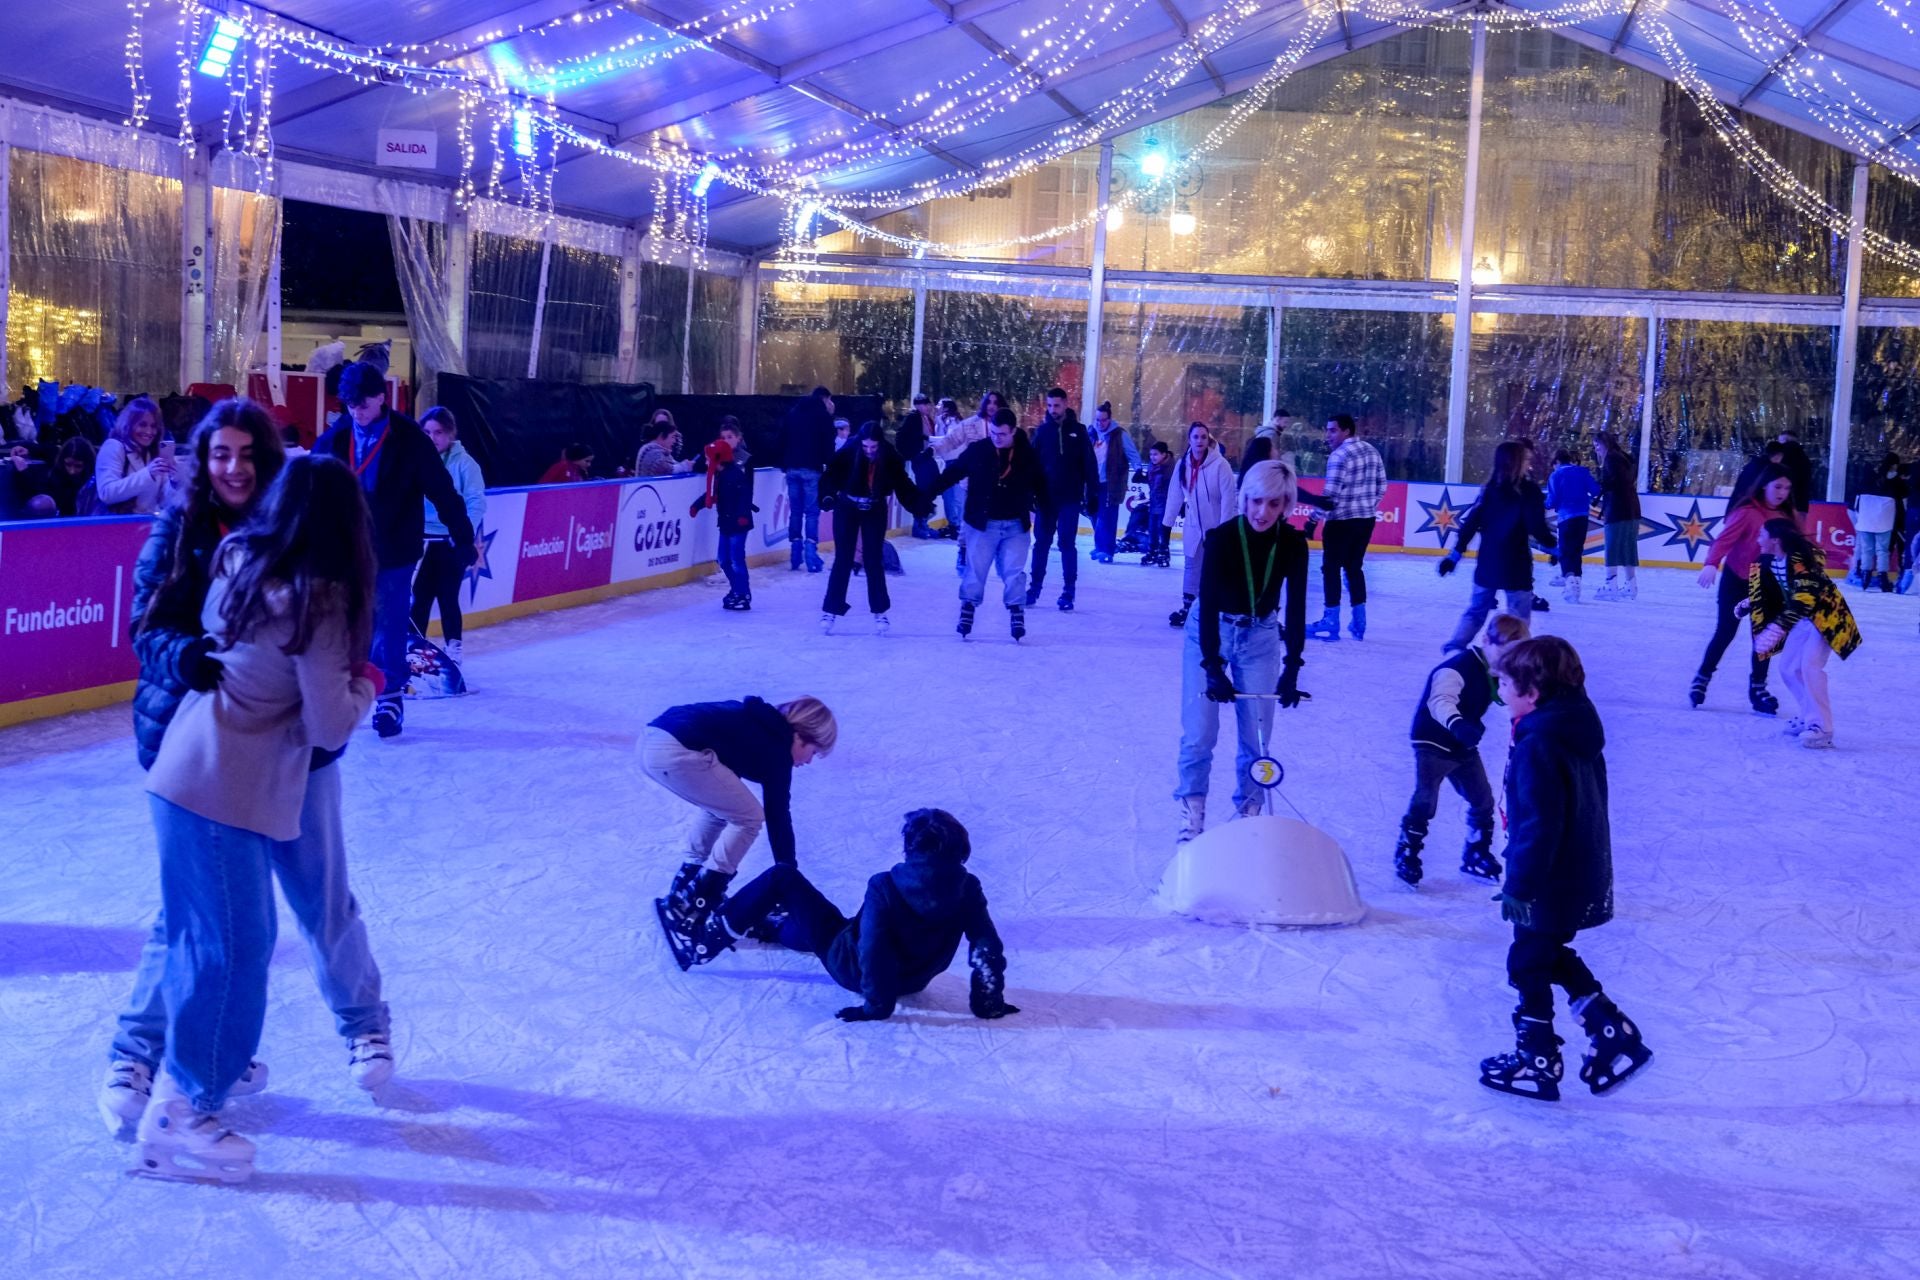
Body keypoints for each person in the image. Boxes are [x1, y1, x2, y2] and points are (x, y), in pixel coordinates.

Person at [104, 401, 394, 1145]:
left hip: (275, 762)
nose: (232, 468)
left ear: (270, 469)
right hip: (212, 754)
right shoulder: (195, 536)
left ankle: (358, 1027)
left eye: (247, 455)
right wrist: (194, 659)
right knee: (212, 930)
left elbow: (305, 695)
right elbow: (150, 626)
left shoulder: (261, 550)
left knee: (312, 902)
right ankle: (155, 1068)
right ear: (202, 462)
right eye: (218, 455)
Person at [1477, 636, 1650, 1103]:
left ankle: (1538, 1062)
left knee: (1528, 962)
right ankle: (1610, 1031)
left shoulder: (1541, 743)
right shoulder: (1572, 724)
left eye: (1507, 684)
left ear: (1533, 693)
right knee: (1546, 955)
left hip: (1549, 879)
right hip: (1576, 869)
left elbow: (1539, 822)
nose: (1500, 694)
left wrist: (1520, 885)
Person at [673, 810, 1018, 1027]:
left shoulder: (884, 885)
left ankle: (707, 941)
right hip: (913, 980)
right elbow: (986, 945)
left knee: (783, 878)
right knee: (820, 928)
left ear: (910, 847)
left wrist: (876, 1007)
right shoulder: (967, 887)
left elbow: (873, 949)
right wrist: (989, 1004)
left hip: (853, 970)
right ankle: (769, 927)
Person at [316, 361, 476, 739]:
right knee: (350, 622)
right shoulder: (337, 437)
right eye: (350, 405)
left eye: (363, 405)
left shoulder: (410, 439)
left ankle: (389, 696)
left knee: (389, 623)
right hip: (349, 549)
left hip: (395, 548)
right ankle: (348, 688)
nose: (356, 412)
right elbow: (311, 488)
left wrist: (463, 536)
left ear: (380, 397)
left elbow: (442, 491)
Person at [1174, 461, 1310, 844]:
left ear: (1286, 504)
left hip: (1261, 637)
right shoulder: (1222, 539)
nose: (1262, 512)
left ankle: (1248, 816)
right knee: (1200, 732)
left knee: (1258, 736)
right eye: (1255, 501)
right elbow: (1208, 604)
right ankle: (1192, 812)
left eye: (1273, 504)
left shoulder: (1293, 544)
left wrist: (1293, 667)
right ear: (1244, 498)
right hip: (1211, 629)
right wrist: (1212, 666)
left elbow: (1296, 608)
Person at [642, 695, 838, 945]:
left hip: (652, 739)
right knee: (750, 817)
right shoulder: (777, 747)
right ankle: (700, 898)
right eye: (813, 752)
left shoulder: (756, 725)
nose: (809, 761)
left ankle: (686, 884)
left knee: (721, 808)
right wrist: (788, 880)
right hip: (674, 750)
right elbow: (778, 817)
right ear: (800, 735)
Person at [1394, 613, 1531, 889]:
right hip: (1432, 740)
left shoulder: (1495, 672)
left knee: (1482, 799)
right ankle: (1407, 851)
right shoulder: (1457, 668)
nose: (1509, 660)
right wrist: (1458, 724)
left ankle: (1476, 851)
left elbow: (1505, 697)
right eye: (1504, 651)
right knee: (1426, 798)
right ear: (1485, 640)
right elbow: (1440, 701)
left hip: (1463, 744)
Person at [925, 407, 1052, 641]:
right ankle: (968, 609)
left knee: (1014, 572)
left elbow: (1041, 486)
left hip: (1015, 525)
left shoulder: (1027, 455)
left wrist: (1048, 512)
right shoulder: (979, 450)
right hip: (982, 524)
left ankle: (1016, 612)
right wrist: (926, 494)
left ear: (1013, 431)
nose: (996, 438)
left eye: (1002, 434)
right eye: (993, 433)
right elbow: (953, 473)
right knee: (976, 570)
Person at [1743, 517, 1861, 749]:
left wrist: (1779, 627)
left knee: (1810, 666)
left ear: (1775, 540)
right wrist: (1749, 602)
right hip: (1801, 619)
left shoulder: (1799, 560)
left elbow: (1805, 596)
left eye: (1762, 535)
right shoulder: (1772, 561)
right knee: (1788, 668)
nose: (1758, 539)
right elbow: (1780, 593)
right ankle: (1810, 717)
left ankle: (1822, 728)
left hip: (1824, 618)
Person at [1692, 464, 1799, 714]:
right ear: (1765, 485)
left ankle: (1758, 688)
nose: (1782, 492)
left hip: (1766, 583)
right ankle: (1702, 677)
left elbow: (1800, 546)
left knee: (1763, 638)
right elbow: (1724, 540)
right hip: (1737, 578)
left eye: (1787, 488)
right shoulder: (1747, 512)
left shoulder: (1787, 517)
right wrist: (1710, 563)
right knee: (1725, 631)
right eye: (1778, 486)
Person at [1438, 441, 1555, 651]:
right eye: (1526, 459)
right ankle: (1514, 657)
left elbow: (1471, 522)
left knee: (1476, 610)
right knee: (1518, 619)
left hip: (1489, 563)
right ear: (1516, 462)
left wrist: (1454, 555)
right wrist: (1555, 547)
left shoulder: (1489, 490)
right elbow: (1536, 526)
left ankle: (1454, 648)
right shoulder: (1529, 491)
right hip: (1516, 565)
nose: (1529, 463)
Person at [819, 421, 929, 633]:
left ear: (880, 444)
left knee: (873, 559)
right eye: (866, 447)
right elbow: (830, 475)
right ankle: (830, 610)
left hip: (875, 508)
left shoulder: (890, 457)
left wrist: (919, 504)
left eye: (874, 447)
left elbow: (903, 483)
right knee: (843, 558)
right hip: (847, 507)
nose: (869, 451)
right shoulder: (849, 450)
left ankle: (880, 612)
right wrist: (827, 496)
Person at [411, 407, 487, 668]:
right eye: (427, 432)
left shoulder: (465, 465)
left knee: (447, 595)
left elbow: (476, 502)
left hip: (450, 540)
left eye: (439, 432)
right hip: (420, 539)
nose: (432, 438)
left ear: (451, 434)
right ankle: (414, 649)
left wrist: (462, 532)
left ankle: (453, 647)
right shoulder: (416, 460)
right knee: (419, 596)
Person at [1302, 413, 1387, 642]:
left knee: (1331, 569)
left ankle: (1331, 620)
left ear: (1346, 431)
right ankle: (1359, 621)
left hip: (1341, 522)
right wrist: (1367, 506)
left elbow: (1330, 495)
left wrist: (1312, 520)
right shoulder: (1371, 450)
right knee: (1354, 568)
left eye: (1332, 430)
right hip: (1365, 520)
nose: (1327, 436)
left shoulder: (1339, 456)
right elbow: (1382, 485)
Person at [1027, 387, 1098, 612]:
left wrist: (1093, 493)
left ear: (1066, 404)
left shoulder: (1078, 431)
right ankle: (1035, 586)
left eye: (1056, 405)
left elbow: (1089, 464)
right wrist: (1031, 493)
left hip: (1070, 498)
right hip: (1046, 500)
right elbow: (1033, 466)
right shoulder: (1042, 432)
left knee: (1067, 544)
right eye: (1049, 406)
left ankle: (1069, 590)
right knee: (1041, 544)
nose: (1053, 410)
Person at [1163, 422, 1239, 628]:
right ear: (1189, 440)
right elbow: (1174, 496)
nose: (1199, 441)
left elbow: (1228, 499)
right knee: (1191, 567)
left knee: (1214, 569)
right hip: (1193, 526)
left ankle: (1215, 609)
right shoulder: (1183, 465)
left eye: (1203, 437)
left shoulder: (1220, 465)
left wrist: (1223, 531)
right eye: (1195, 437)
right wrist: (1166, 525)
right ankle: (1188, 608)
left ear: (1208, 440)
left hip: (1216, 528)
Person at [688, 418, 756, 610]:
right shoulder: (719, 469)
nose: (726, 440)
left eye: (730, 437)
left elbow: (746, 492)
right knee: (725, 559)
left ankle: (742, 592)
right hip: (726, 521)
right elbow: (712, 491)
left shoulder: (741, 465)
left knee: (735, 558)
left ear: (738, 438)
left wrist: (743, 513)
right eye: (723, 437)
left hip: (738, 521)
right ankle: (737, 589)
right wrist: (697, 505)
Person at [782, 387, 836, 572]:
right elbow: (828, 445)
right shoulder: (823, 417)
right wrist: (830, 466)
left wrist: (784, 463)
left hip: (792, 468)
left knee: (795, 511)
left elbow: (781, 438)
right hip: (812, 469)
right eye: (829, 400)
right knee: (812, 513)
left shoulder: (793, 413)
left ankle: (795, 552)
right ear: (824, 398)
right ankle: (811, 554)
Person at [96, 396, 177, 515]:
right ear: (128, 424)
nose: (149, 432)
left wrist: (175, 482)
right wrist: (148, 473)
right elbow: (106, 493)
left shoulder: (154, 452)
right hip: (116, 526)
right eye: (142, 425)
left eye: (154, 426)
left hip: (147, 526)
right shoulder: (114, 447)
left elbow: (164, 502)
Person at [1544, 447, 1599, 604]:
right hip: (1582, 516)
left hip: (1566, 517)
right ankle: (1576, 580)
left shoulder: (1556, 475)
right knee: (1576, 550)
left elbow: (1552, 501)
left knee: (1566, 551)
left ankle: (1569, 580)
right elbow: (1595, 490)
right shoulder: (1582, 472)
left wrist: (1544, 504)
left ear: (1557, 462)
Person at [1088, 401, 1141, 562]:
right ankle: (1099, 546)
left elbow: (1132, 453)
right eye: (1097, 420)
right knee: (1094, 515)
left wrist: (1138, 468)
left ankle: (1108, 550)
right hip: (1092, 483)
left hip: (1111, 483)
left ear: (1109, 419)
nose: (1100, 423)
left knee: (1107, 516)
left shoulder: (1119, 435)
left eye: (1103, 420)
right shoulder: (1091, 433)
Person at [1591, 432, 1641, 601]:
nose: (1596, 449)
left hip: (1618, 510)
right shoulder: (1623, 458)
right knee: (1628, 548)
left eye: (1597, 445)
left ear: (1605, 443)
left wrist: (1602, 486)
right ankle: (1630, 586)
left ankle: (1611, 585)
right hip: (1631, 509)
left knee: (1612, 547)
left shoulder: (1611, 459)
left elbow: (1616, 482)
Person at [1848, 452, 1904, 592]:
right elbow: (1902, 499)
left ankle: (1865, 576)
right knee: (1882, 550)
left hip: (1866, 519)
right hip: (1885, 521)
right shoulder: (1896, 482)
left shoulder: (1869, 479)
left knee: (1867, 549)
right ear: (1894, 465)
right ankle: (1882, 578)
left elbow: (1857, 499)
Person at [898, 393, 940, 538]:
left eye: (928, 404)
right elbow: (909, 436)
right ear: (917, 405)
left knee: (931, 487)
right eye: (924, 404)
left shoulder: (926, 418)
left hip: (927, 456)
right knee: (924, 490)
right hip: (919, 457)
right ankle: (919, 525)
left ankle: (924, 521)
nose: (928, 407)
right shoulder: (913, 418)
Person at [1143, 439, 1174, 567]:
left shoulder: (1170, 468)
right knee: (1152, 529)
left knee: (1162, 529)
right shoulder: (1152, 466)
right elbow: (1153, 485)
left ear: (1164, 454)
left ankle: (1163, 552)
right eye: (1151, 455)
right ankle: (1152, 551)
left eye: (1155, 454)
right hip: (1154, 503)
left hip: (1165, 504)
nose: (1152, 457)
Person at [1239, 407, 1290, 479]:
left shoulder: (1265, 433)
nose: (1286, 425)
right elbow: (1269, 457)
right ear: (1278, 419)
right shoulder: (1271, 435)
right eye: (1285, 422)